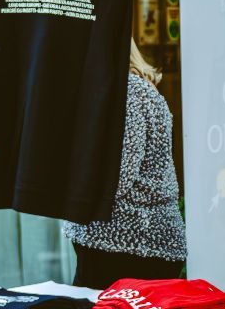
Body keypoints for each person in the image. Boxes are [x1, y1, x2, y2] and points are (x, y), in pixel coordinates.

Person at [64, 40, 187, 290]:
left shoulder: (126, 92)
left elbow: (117, 176)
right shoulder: (125, 90)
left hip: (127, 243)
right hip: (125, 241)